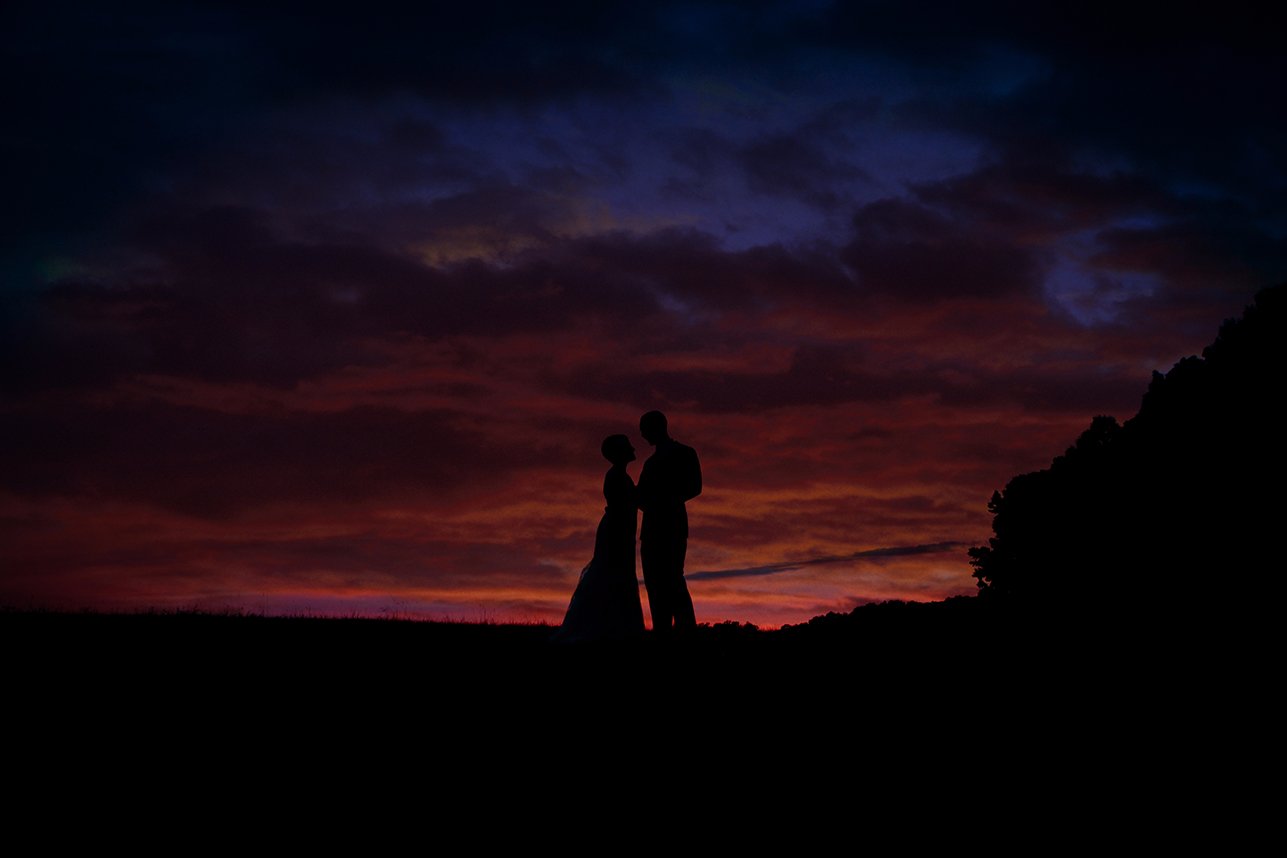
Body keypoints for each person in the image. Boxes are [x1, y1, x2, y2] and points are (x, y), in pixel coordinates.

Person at [553, 434, 645, 643]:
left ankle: (616, 626)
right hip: (616, 531)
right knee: (612, 573)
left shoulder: (620, 475)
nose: (633, 449)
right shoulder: (616, 477)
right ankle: (609, 626)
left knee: (618, 574)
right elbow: (629, 503)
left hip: (620, 530)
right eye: (628, 446)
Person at [636, 410, 701, 637]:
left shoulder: (685, 453)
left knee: (673, 579)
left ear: (657, 427)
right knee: (654, 582)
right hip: (651, 528)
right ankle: (662, 630)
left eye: (644, 430)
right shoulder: (650, 463)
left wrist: (663, 500)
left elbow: (695, 486)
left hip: (672, 526)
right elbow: (640, 496)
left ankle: (686, 631)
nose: (642, 435)